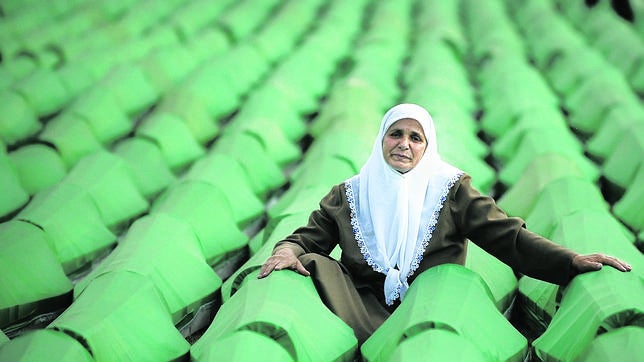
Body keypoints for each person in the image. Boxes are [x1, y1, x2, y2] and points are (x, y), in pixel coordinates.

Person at [257, 103, 632, 345]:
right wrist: (287, 251)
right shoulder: (350, 193)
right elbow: (308, 238)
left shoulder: (450, 190)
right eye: (396, 134)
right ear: (381, 140)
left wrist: (570, 262)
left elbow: (508, 237)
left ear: (427, 146)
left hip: (432, 304)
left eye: (415, 137)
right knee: (309, 263)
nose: (404, 144)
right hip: (363, 304)